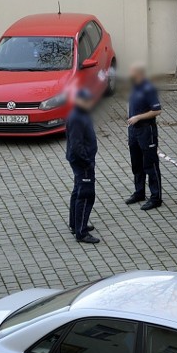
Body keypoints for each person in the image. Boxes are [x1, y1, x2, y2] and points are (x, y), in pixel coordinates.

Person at [124, 63, 163, 210]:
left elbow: (157, 110)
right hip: (133, 130)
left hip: (147, 131)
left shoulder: (149, 88)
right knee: (136, 163)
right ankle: (139, 192)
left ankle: (156, 197)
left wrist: (138, 117)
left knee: (150, 164)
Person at [65, 88, 99, 244]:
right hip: (82, 163)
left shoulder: (80, 113)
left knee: (77, 191)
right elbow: (77, 145)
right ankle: (81, 232)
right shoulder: (77, 117)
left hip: (79, 161)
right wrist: (87, 162)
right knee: (86, 195)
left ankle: (75, 224)